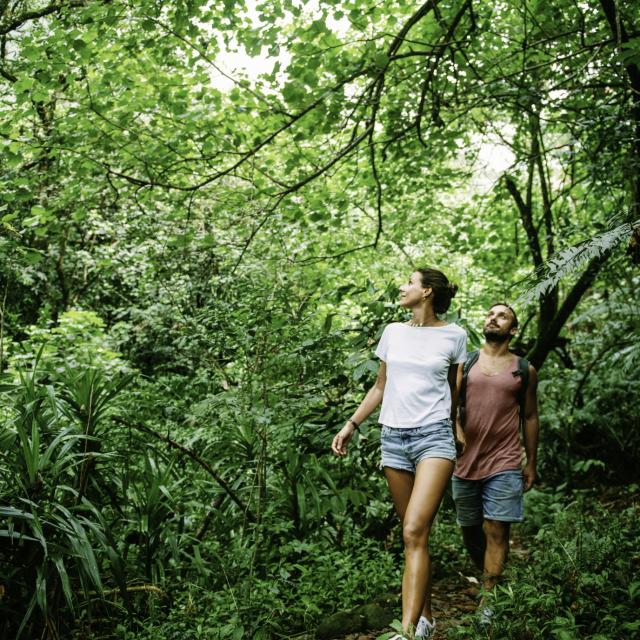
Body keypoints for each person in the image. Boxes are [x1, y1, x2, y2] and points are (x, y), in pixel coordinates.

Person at [332, 268, 467, 640]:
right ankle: (425, 620)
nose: (402, 287)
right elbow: (380, 386)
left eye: (409, 282)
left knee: (412, 530)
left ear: (426, 293)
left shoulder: (455, 336)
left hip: (434, 439)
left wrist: (456, 427)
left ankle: (406, 632)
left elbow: (456, 393)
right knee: (416, 535)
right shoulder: (393, 332)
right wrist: (351, 425)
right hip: (393, 438)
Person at [452, 303, 539, 626]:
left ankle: (489, 600)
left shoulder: (523, 369)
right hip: (465, 460)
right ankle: (491, 573)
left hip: (504, 460)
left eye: (502, 316)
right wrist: (456, 428)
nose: (493, 317)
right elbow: (450, 402)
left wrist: (531, 461)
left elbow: (530, 417)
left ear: (512, 329)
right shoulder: (467, 362)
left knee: (496, 528)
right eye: (491, 313)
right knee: (470, 530)